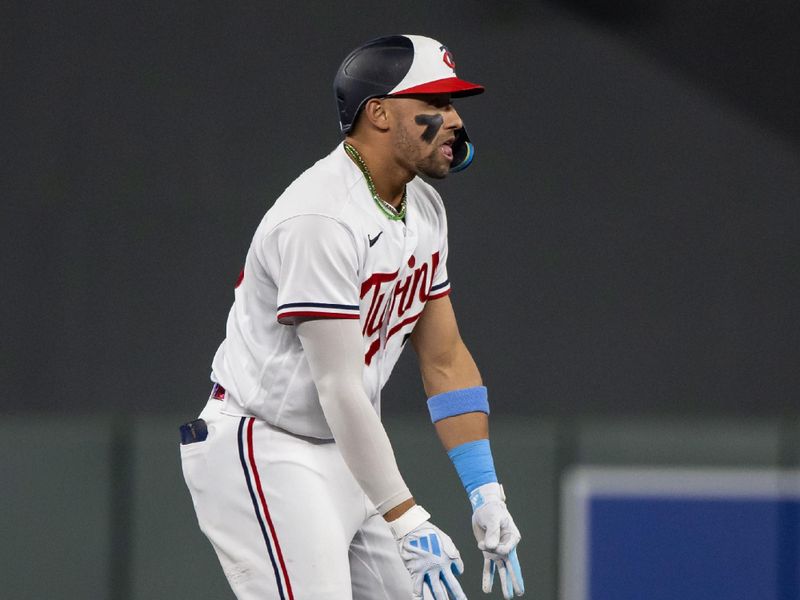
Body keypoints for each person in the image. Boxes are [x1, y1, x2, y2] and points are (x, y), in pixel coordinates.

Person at [180, 34, 524, 600]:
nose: (455, 120)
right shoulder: (321, 216)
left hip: (346, 450)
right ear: (380, 113)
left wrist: (486, 492)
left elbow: (445, 358)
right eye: (435, 104)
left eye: (452, 103)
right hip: (266, 445)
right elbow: (337, 385)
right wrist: (408, 518)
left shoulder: (424, 207)